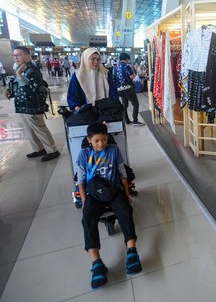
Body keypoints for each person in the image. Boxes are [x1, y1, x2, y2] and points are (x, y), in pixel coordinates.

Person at [78, 122, 142, 289]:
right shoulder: (84, 154)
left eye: (104, 139)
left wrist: (127, 195)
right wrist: (85, 202)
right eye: (97, 140)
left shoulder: (113, 150)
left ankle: (132, 251)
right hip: (94, 194)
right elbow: (81, 181)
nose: (101, 144)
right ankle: (96, 262)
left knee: (125, 211)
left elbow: (122, 174)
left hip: (113, 190)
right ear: (89, 140)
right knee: (88, 219)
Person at [3, 46, 60, 161]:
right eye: (14, 55)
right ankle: (39, 149)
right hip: (22, 105)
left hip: (33, 106)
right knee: (30, 130)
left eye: (18, 55)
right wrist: (9, 91)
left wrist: (19, 75)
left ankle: (52, 150)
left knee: (40, 129)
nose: (16, 58)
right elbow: (18, 86)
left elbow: (33, 89)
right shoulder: (20, 68)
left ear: (27, 56)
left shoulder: (32, 70)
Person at [114, 52, 144, 126]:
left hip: (120, 89)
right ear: (126, 59)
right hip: (128, 88)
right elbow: (132, 77)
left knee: (125, 105)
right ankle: (135, 120)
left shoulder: (116, 67)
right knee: (135, 104)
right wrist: (134, 74)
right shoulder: (126, 66)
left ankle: (126, 120)